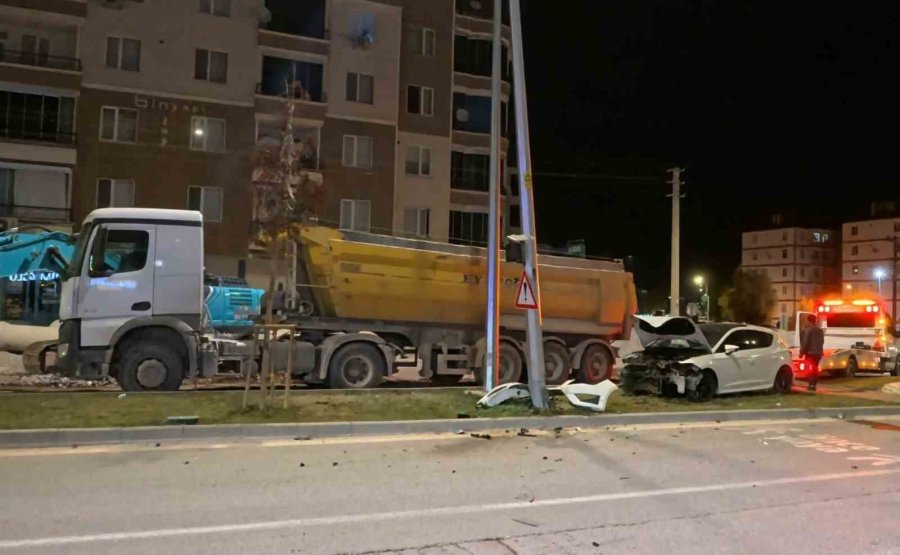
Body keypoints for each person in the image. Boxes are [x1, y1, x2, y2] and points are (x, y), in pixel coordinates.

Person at [799, 314, 825, 391]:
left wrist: (801, 352)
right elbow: (822, 341)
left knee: (808, 369)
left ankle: (810, 384)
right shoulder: (820, 330)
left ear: (809, 321)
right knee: (815, 368)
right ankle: (814, 384)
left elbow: (805, 342)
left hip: (810, 353)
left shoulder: (808, 330)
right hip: (818, 353)